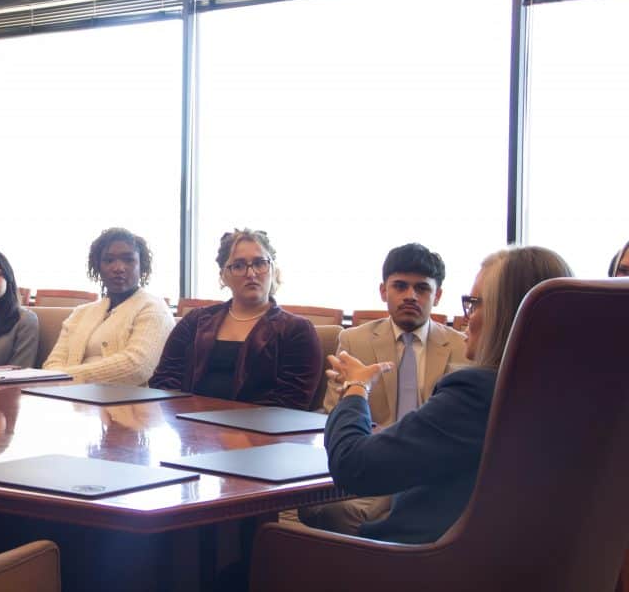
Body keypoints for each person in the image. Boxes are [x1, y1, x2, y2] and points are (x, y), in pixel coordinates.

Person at [322, 246, 571, 544]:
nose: (466, 319)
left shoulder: (476, 392)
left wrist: (356, 388)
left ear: (506, 314)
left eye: (475, 304)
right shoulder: (572, 395)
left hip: (421, 567)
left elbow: (353, 467)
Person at [302, 243, 470, 534]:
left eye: (422, 288)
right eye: (400, 286)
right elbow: (334, 410)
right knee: (331, 510)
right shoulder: (355, 341)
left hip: (432, 474)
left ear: (438, 295)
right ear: (384, 291)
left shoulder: (461, 347)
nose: (410, 296)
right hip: (375, 465)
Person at [150, 229, 321, 409]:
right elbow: (164, 381)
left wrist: (230, 433)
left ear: (273, 269)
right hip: (189, 426)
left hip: (260, 433)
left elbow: (291, 403)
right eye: (238, 266)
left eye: (259, 263)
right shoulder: (195, 321)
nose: (251, 273)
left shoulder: (296, 330)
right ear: (224, 275)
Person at [43, 227, 174, 384]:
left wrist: (63, 378)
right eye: (109, 260)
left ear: (142, 265)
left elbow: (137, 368)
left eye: (128, 259)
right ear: (98, 267)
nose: (118, 268)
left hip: (127, 403)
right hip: (68, 399)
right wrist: (59, 382)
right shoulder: (80, 313)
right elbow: (51, 364)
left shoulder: (154, 308)